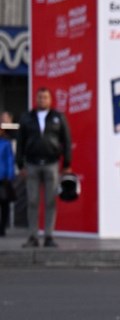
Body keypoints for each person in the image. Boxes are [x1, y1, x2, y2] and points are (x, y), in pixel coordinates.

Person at [16, 87, 72, 248]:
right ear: (36, 99)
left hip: (51, 163)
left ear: (50, 100)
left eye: (45, 97)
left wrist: (67, 163)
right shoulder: (27, 118)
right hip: (32, 163)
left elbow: (66, 140)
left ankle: (49, 235)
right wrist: (20, 164)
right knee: (32, 201)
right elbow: (20, 142)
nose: (42, 100)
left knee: (50, 201)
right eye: (40, 97)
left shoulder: (58, 117)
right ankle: (33, 236)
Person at [0, 111, 15, 236]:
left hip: (3, 178)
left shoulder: (5, 143)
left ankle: (2, 228)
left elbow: (10, 160)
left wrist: (9, 176)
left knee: (4, 203)